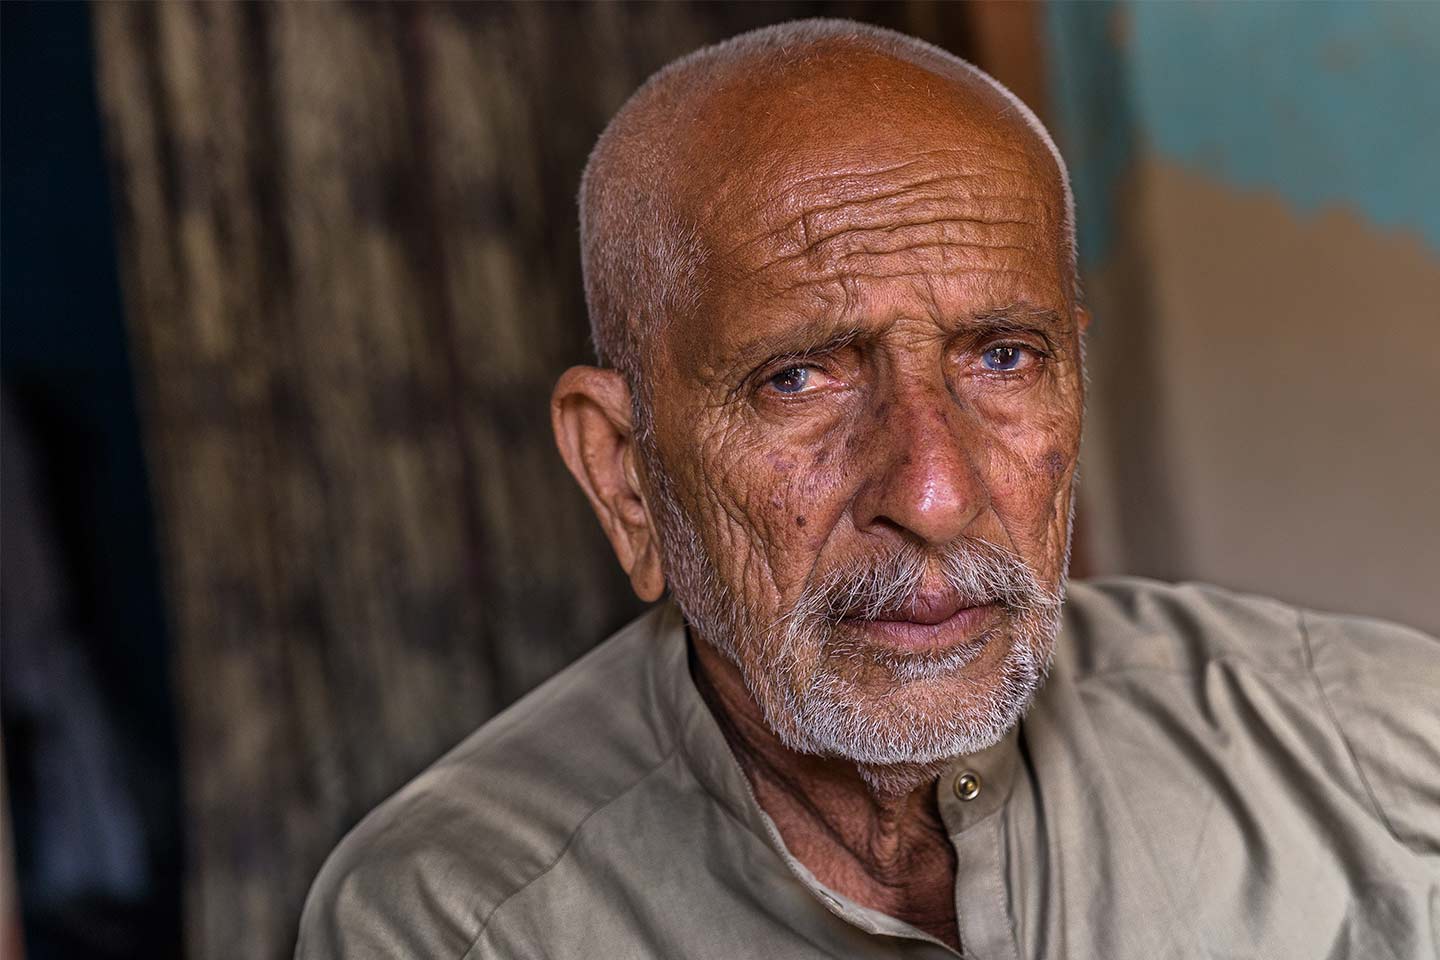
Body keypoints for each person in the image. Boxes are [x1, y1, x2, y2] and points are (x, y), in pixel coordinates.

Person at [297, 20, 1439, 959]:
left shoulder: (1373, 754)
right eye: (799, 379)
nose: (935, 495)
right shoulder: (456, 923)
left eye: (1004, 358)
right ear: (625, 476)